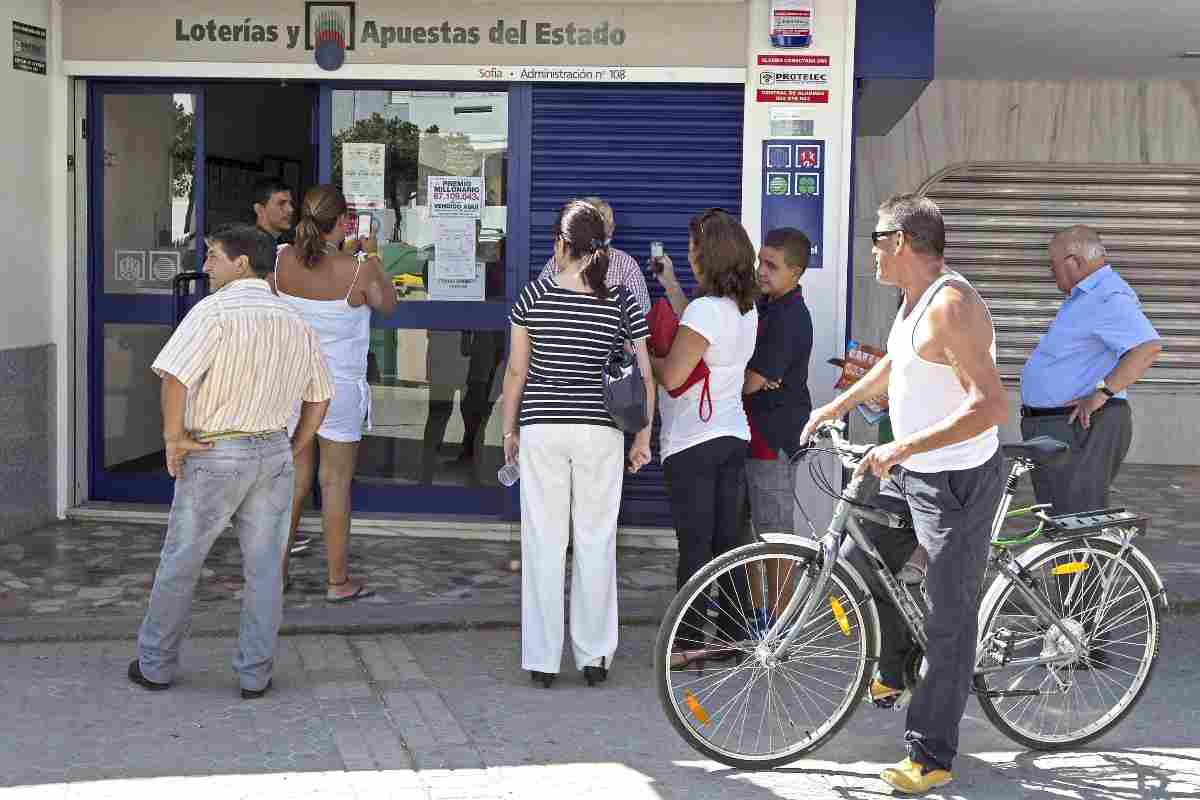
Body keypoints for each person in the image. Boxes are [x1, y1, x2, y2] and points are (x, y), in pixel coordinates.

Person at [801, 194, 1007, 795]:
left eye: (876, 237)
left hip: (958, 481)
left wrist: (902, 447)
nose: (871, 249)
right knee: (871, 557)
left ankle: (932, 754)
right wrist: (837, 404)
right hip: (916, 471)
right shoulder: (911, 301)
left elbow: (991, 406)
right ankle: (893, 668)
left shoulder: (952, 305)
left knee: (949, 617)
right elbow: (896, 363)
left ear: (901, 241)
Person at [129, 224, 333, 699]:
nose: (205, 266)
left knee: (182, 561)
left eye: (213, 256)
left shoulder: (214, 311)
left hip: (216, 452)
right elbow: (320, 398)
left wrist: (172, 438)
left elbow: (176, 376)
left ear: (241, 263)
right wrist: (296, 445)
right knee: (265, 570)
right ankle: (254, 674)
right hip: (272, 450)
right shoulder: (293, 319)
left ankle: (156, 665)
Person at [501, 200, 654, 688]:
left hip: (543, 428)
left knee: (543, 543)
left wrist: (509, 431)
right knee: (595, 540)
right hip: (599, 431)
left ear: (562, 244)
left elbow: (516, 371)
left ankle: (543, 660)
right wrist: (644, 434)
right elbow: (644, 373)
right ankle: (594, 658)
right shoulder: (621, 301)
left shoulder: (534, 297)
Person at [273, 185, 398, 602]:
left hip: (291, 385)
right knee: (335, 483)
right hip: (338, 389)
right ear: (342, 221)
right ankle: (337, 581)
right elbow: (388, 304)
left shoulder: (281, 261)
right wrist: (371, 256)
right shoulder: (359, 269)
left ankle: (277, 574)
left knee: (293, 481)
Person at [648, 208, 759, 669]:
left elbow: (673, 376)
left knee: (694, 544)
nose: (690, 255)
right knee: (727, 542)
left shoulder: (704, 311)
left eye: (694, 249)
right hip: (734, 434)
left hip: (693, 440)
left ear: (707, 256)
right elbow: (701, 338)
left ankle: (689, 642)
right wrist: (671, 284)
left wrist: (643, 356)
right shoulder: (743, 309)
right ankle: (733, 639)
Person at [1019, 225, 1161, 513]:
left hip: (1079, 427)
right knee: (1061, 519)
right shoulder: (1086, 297)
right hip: (1059, 425)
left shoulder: (1106, 295)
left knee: (1076, 519)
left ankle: (1092, 560)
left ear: (1074, 261)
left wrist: (1101, 392)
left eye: (1053, 264)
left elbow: (1147, 347)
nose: (1050, 271)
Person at [742, 227, 815, 537]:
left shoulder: (789, 317)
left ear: (795, 272)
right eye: (760, 262)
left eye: (771, 266)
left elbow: (749, 384)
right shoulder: (766, 305)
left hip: (773, 439)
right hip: (757, 434)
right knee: (756, 531)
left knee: (774, 534)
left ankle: (784, 589)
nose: (761, 272)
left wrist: (751, 374)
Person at [536, 196, 651, 314]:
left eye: (608, 224)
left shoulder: (626, 265)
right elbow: (538, 303)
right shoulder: (557, 261)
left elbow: (641, 312)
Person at [251, 177, 295, 246]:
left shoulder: (288, 247)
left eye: (291, 203)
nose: (290, 209)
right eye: (281, 203)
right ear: (259, 209)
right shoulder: (244, 247)